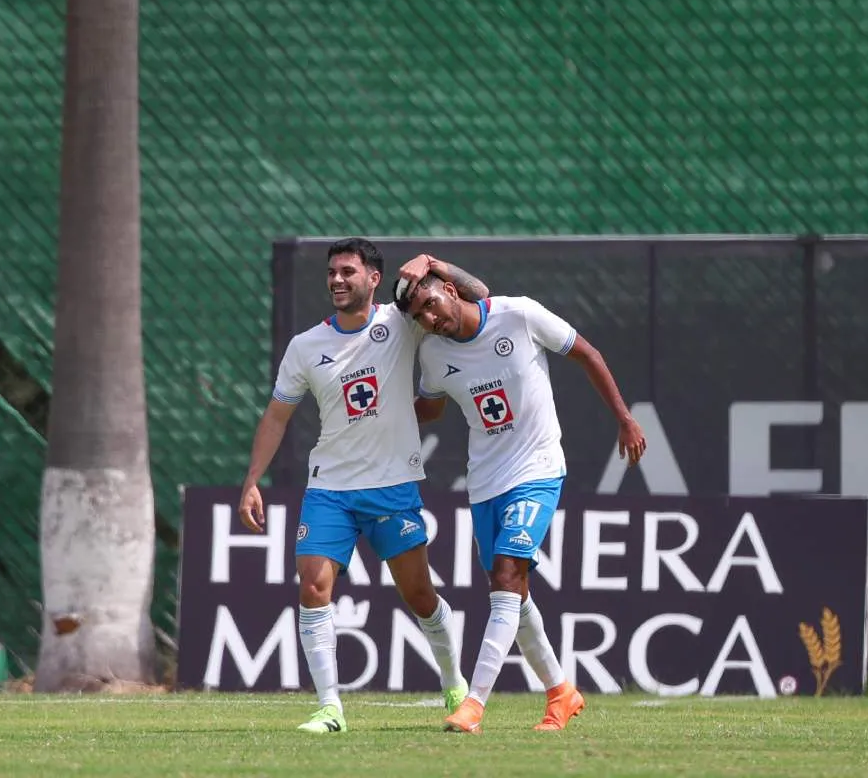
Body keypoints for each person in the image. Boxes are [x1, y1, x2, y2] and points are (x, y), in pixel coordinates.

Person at [238, 237, 490, 734]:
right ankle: (330, 708)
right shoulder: (306, 346)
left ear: (374, 279)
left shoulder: (402, 323)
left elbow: (478, 295)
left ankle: (454, 679)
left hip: (392, 486)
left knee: (419, 596)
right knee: (313, 586)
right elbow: (276, 416)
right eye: (332, 272)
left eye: (348, 272)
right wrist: (251, 481)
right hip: (329, 487)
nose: (337, 279)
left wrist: (433, 265)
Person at [397, 272, 647, 734]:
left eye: (432, 304)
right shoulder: (432, 353)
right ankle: (561, 693)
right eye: (420, 317)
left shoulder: (519, 314)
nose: (430, 318)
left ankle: (474, 704)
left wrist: (625, 418)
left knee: (508, 576)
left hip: (538, 468)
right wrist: (380, 411)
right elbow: (431, 409)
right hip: (485, 480)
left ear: (449, 290)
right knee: (511, 587)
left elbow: (587, 354)